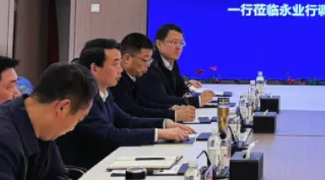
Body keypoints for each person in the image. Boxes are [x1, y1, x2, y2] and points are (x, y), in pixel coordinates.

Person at [57, 40, 194, 170]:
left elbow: (127, 120)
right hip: (87, 170)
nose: (120, 70)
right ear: (94, 68)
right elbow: (110, 135)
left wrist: (165, 123)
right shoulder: (82, 99)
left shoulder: (104, 92)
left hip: (107, 160)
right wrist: (160, 133)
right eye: (115, 64)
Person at [114, 33, 197, 123]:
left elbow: (145, 104)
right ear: (127, 59)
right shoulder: (117, 81)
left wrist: (171, 108)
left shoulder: (131, 77)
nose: (148, 65)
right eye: (145, 60)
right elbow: (134, 111)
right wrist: (172, 115)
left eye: (150, 60)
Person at [138, 24, 214, 108]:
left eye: (181, 43)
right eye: (174, 42)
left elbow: (181, 89)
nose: (179, 47)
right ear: (159, 44)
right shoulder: (150, 66)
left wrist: (187, 95)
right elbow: (160, 99)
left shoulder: (172, 62)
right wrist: (197, 101)